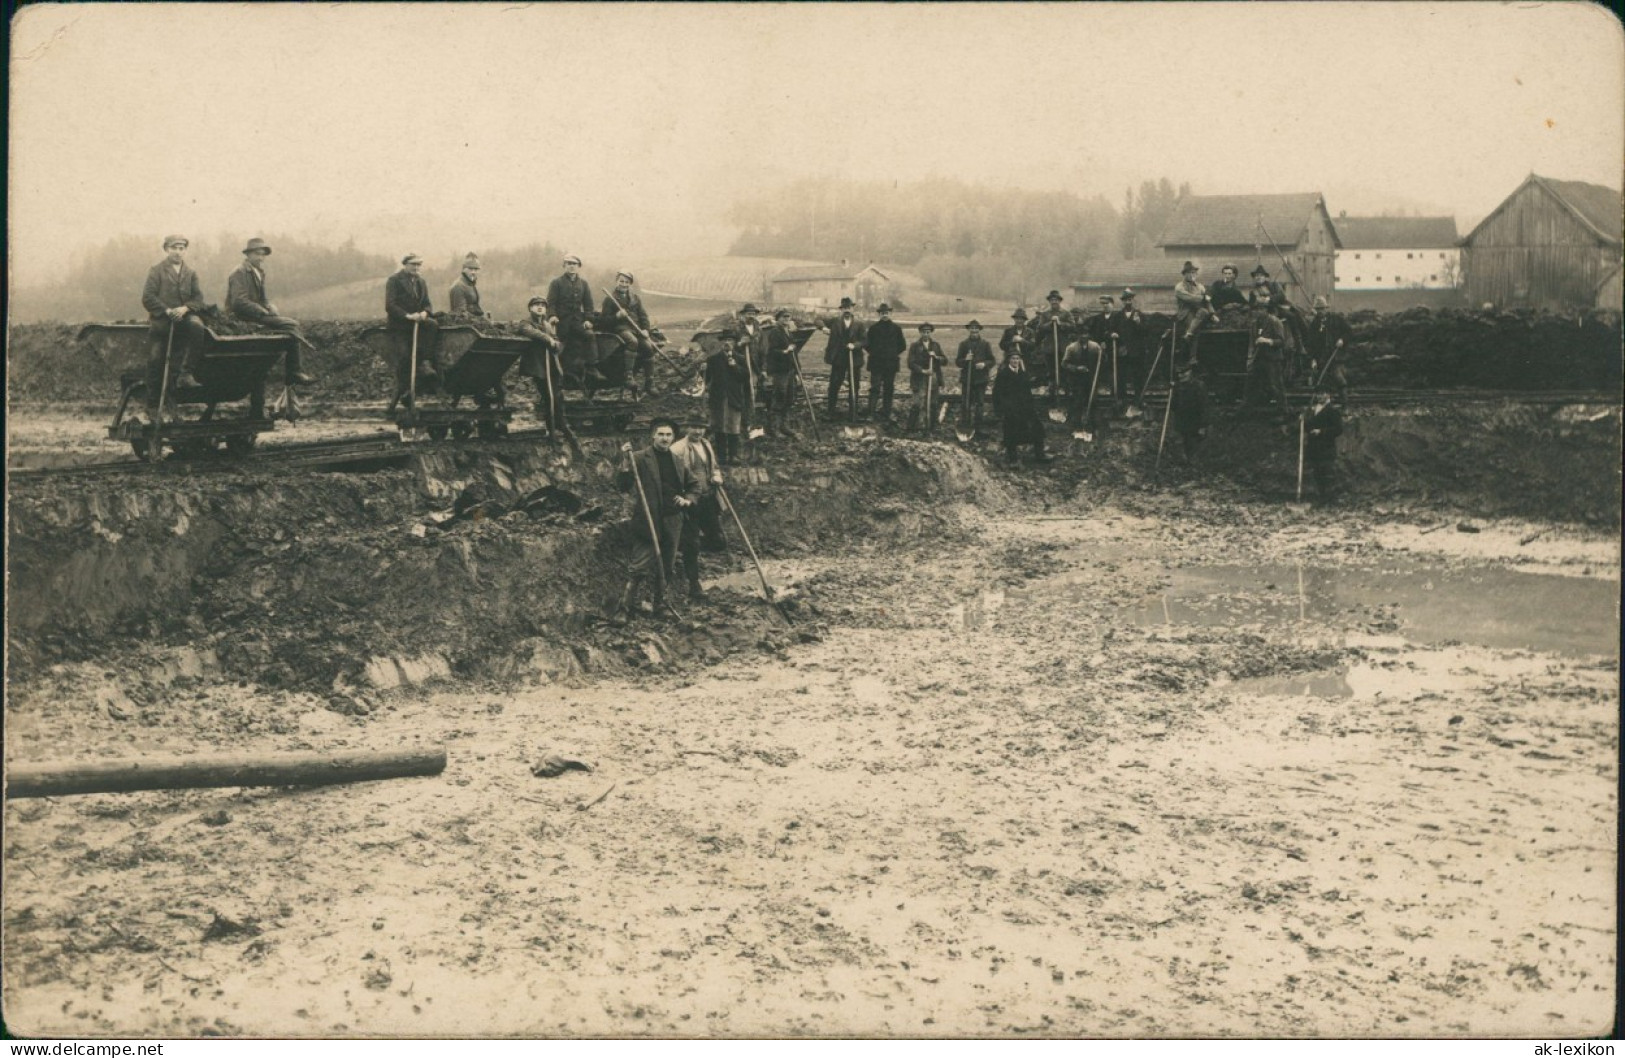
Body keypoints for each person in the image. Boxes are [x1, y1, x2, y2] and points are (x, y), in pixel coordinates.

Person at [611, 417, 701, 624]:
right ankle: (625, 608)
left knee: (667, 565)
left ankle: (660, 604)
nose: (664, 438)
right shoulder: (640, 458)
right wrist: (625, 462)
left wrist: (688, 499)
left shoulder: (678, 461)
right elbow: (623, 485)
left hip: (673, 520)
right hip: (648, 519)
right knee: (639, 567)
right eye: (660, 434)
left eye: (668, 434)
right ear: (653, 436)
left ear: (673, 437)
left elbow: (694, 485)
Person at [225, 237, 315, 385]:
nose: (261, 258)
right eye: (257, 254)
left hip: (255, 313)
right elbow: (238, 302)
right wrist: (262, 311)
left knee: (287, 322)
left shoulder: (258, 272)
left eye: (263, 254)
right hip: (243, 315)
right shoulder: (239, 272)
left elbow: (262, 298)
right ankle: (294, 372)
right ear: (248, 255)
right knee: (291, 325)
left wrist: (269, 306)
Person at [141, 234, 211, 402]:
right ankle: (152, 404)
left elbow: (198, 298)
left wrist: (185, 308)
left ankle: (186, 374)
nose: (178, 252)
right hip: (162, 322)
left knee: (197, 327)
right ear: (166, 249)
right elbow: (148, 297)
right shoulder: (156, 271)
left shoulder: (191, 273)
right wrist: (167, 310)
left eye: (181, 249)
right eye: (174, 248)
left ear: (185, 251)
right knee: (155, 361)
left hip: (184, 319)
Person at [669, 419, 728, 601]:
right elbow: (672, 477)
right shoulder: (678, 448)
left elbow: (714, 467)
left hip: (708, 498)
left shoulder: (706, 444)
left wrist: (717, 476)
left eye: (701, 427)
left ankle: (681, 546)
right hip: (689, 501)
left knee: (719, 541)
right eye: (694, 427)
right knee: (692, 545)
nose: (698, 431)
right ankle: (694, 584)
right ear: (686, 428)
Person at [384, 252, 441, 405]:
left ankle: (425, 363)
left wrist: (424, 313)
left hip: (418, 324)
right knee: (404, 357)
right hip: (400, 326)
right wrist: (407, 316)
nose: (416, 267)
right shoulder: (394, 281)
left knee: (433, 325)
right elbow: (390, 305)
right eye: (413, 264)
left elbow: (428, 304)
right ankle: (405, 389)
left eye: (418, 265)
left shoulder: (421, 282)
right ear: (405, 265)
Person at [602, 270, 663, 398]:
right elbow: (604, 321)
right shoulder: (610, 299)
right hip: (620, 329)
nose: (623, 284)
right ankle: (628, 377)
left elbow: (643, 316)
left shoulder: (635, 298)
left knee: (648, 347)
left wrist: (645, 329)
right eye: (621, 281)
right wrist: (617, 316)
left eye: (627, 282)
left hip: (636, 329)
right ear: (616, 281)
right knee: (632, 342)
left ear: (630, 284)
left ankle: (649, 383)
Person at [991, 349, 1052, 465]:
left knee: (1037, 429)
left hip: (1025, 408)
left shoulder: (1023, 373)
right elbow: (997, 393)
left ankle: (1040, 455)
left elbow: (1027, 390)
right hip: (1011, 410)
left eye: (1017, 358)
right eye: (1013, 358)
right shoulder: (1003, 374)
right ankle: (1013, 459)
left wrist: (1031, 403)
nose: (1015, 361)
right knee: (1011, 434)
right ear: (1009, 360)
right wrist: (1000, 410)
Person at [547, 254, 600, 384]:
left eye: (574, 264)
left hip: (577, 322)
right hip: (561, 322)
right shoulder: (556, 283)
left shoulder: (583, 284)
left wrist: (588, 319)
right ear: (564, 266)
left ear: (578, 267)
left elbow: (588, 304)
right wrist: (552, 315)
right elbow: (551, 303)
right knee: (561, 347)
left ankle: (592, 368)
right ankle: (560, 375)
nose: (571, 266)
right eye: (568, 263)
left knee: (589, 335)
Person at [515, 295, 564, 428]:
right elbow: (530, 332)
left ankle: (556, 425)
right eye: (537, 305)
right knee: (548, 395)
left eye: (543, 305)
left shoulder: (547, 324)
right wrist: (548, 339)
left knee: (555, 396)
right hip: (536, 366)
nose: (540, 307)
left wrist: (556, 344)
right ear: (530, 308)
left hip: (550, 365)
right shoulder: (525, 322)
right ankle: (553, 426)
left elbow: (556, 340)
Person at [705, 331, 751, 464]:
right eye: (724, 340)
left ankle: (733, 455)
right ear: (721, 343)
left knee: (733, 426)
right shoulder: (713, 359)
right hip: (718, 398)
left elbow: (745, 377)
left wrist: (734, 366)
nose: (727, 343)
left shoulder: (740, 358)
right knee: (719, 426)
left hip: (733, 398)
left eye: (730, 340)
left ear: (735, 343)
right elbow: (707, 378)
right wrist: (703, 370)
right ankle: (721, 456)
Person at [820, 297, 866, 418]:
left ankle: (853, 412)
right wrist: (823, 328)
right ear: (841, 309)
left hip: (854, 359)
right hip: (838, 359)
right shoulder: (835, 321)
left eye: (849, 308)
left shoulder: (859, 324)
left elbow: (865, 340)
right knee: (834, 385)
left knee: (854, 385)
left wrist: (855, 345)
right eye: (844, 308)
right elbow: (817, 320)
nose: (847, 310)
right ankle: (830, 412)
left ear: (852, 309)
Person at [1245, 292, 1288, 412]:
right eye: (1256, 309)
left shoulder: (1275, 322)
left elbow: (1281, 342)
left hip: (1272, 360)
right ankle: (1245, 411)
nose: (1257, 312)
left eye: (1260, 309)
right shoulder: (1254, 324)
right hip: (1258, 359)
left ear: (1266, 310)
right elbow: (1251, 344)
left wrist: (1267, 341)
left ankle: (1283, 412)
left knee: (1276, 386)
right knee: (1250, 385)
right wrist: (1249, 359)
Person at [1304, 295, 1352, 404]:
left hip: (1335, 356)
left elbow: (1348, 332)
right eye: (1318, 309)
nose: (1320, 311)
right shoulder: (1314, 325)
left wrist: (1342, 340)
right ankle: (1325, 407)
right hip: (1321, 358)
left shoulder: (1336, 319)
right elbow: (1310, 344)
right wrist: (1313, 359)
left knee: (1339, 380)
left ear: (1326, 308)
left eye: (1322, 309)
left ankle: (1344, 407)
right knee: (1322, 384)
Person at [863, 302, 906, 421]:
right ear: (879, 314)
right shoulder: (873, 328)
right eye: (882, 313)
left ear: (890, 313)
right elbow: (867, 345)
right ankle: (870, 413)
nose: (885, 315)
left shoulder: (896, 329)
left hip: (890, 364)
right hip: (876, 364)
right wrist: (876, 354)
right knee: (875, 388)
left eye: (886, 313)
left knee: (889, 388)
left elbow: (902, 346)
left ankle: (887, 413)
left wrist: (891, 354)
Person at [763, 308, 801, 438]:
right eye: (784, 317)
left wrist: (797, 372)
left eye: (788, 317)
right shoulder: (775, 332)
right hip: (780, 371)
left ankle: (784, 426)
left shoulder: (788, 332)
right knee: (780, 396)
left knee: (790, 397)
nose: (786, 319)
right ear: (778, 319)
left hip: (790, 369)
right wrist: (785, 351)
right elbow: (771, 352)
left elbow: (795, 354)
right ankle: (773, 428)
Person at [1302, 386, 1344, 502]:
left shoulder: (1333, 410)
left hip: (1326, 447)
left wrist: (1321, 431)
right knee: (1317, 474)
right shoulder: (1312, 410)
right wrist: (1302, 420)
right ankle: (1322, 499)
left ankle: (1332, 500)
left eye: (1323, 393)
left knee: (1328, 474)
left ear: (1329, 395)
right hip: (1314, 448)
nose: (1320, 396)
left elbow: (1338, 429)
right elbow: (1307, 426)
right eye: (1318, 394)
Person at [905, 322, 946, 432]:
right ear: (920, 332)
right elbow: (910, 363)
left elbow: (945, 361)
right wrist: (923, 371)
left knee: (933, 404)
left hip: (933, 379)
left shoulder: (935, 345)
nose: (926, 334)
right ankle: (910, 429)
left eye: (928, 332)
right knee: (917, 404)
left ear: (931, 332)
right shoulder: (915, 346)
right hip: (919, 379)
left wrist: (936, 357)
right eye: (924, 332)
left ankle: (930, 428)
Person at [1169, 363, 1212, 466]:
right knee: (1179, 445)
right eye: (1179, 373)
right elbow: (1173, 406)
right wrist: (1172, 392)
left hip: (1195, 422)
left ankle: (1195, 466)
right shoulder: (1177, 387)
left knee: (1194, 446)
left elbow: (1204, 407)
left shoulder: (1199, 386)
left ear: (1190, 372)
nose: (1181, 376)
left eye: (1184, 373)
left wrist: (1203, 425)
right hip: (1181, 421)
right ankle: (1184, 466)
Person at [1112, 288, 1148, 405]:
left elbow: (1145, 332)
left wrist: (1138, 323)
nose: (1128, 302)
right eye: (1126, 300)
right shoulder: (1117, 316)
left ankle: (1139, 398)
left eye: (1130, 299)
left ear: (1133, 300)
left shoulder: (1140, 315)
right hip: (1122, 350)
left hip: (1136, 351)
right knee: (1121, 375)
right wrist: (1112, 334)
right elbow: (1110, 330)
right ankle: (1122, 398)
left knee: (1138, 375)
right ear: (1122, 301)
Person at [956, 320, 996, 425]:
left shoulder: (985, 344)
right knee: (966, 402)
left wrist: (984, 364)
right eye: (972, 328)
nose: (974, 330)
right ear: (969, 330)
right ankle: (966, 424)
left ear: (979, 330)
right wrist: (965, 359)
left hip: (980, 378)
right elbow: (958, 362)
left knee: (980, 403)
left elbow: (992, 360)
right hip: (967, 378)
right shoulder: (963, 344)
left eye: (976, 328)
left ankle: (979, 425)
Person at [1060, 332, 1102, 433]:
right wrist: (1076, 368)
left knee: (1092, 401)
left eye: (1086, 334)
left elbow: (1102, 361)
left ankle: (1093, 426)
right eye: (1081, 334)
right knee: (1077, 402)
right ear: (1078, 336)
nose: (1083, 336)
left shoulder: (1095, 346)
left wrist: (1103, 353)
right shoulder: (1071, 348)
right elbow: (1064, 363)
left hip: (1091, 378)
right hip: (1077, 379)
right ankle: (1076, 426)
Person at [1032, 291, 1070, 396]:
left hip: (1063, 346)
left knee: (1063, 368)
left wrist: (1060, 323)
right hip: (1049, 346)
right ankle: (1052, 390)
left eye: (1056, 300)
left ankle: (1064, 390)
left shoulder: (1066, 313)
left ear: (1059, 301)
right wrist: (1050, 323)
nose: (1054, 302)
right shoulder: (1045, 314)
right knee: (1051, 369)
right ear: (1049, 302)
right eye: (1052, 300)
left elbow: (1072, 327)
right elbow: (1040, 328)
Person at [1173, 260, 1214, 353]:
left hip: (1199, 311)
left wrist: (1212, 313)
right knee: (1196, 328)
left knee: (1204, 311)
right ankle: (1191, 358)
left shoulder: (1199, 286)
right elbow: (1191, 299)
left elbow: (1208, 301)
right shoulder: (1179, 287)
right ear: (1185, 274)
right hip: (1185, 313)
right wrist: (1204, 297)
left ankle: (1188, 334)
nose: (1193, 275)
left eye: (1195, 272)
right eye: (1190, 273)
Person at [448, 253, 488, 320]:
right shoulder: (458, 287)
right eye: (470, 269)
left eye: (476, 269)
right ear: (464, 269)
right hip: (466, 326)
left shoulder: (470, 284)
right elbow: (461, 314)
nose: (473, 272)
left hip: (473, 321)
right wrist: (481, 321)